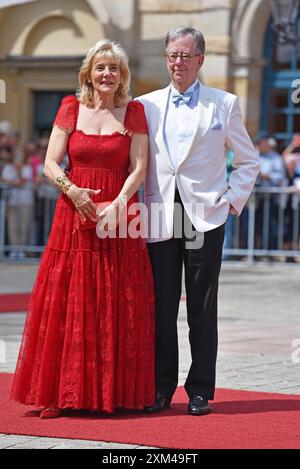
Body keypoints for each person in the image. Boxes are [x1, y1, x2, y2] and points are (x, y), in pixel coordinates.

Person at [10, 39, 155, 418]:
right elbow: (50, 164)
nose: (107, 74)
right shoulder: (69, 108)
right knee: (69, 294)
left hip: (120, 213)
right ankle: (59, 392)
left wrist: (119, 205)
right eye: (100, 67)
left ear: (122, 75)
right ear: (88, 72)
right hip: (73, 211)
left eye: (114, 68)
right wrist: (74, 192)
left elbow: (139, 169)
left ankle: (113, 391)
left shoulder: (134, 111)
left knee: (114, 294)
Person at [138, 27, 260, 415]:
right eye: (173, 55)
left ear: (201, 60)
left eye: (186, 56)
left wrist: (229, 203)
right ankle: (159, 388)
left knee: (202, 307)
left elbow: (248, 161)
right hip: (160, 215)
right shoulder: (146, 104)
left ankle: (200, 389)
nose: (178, 63)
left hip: (205, 217)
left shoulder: (224, 104)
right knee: (160, 306)